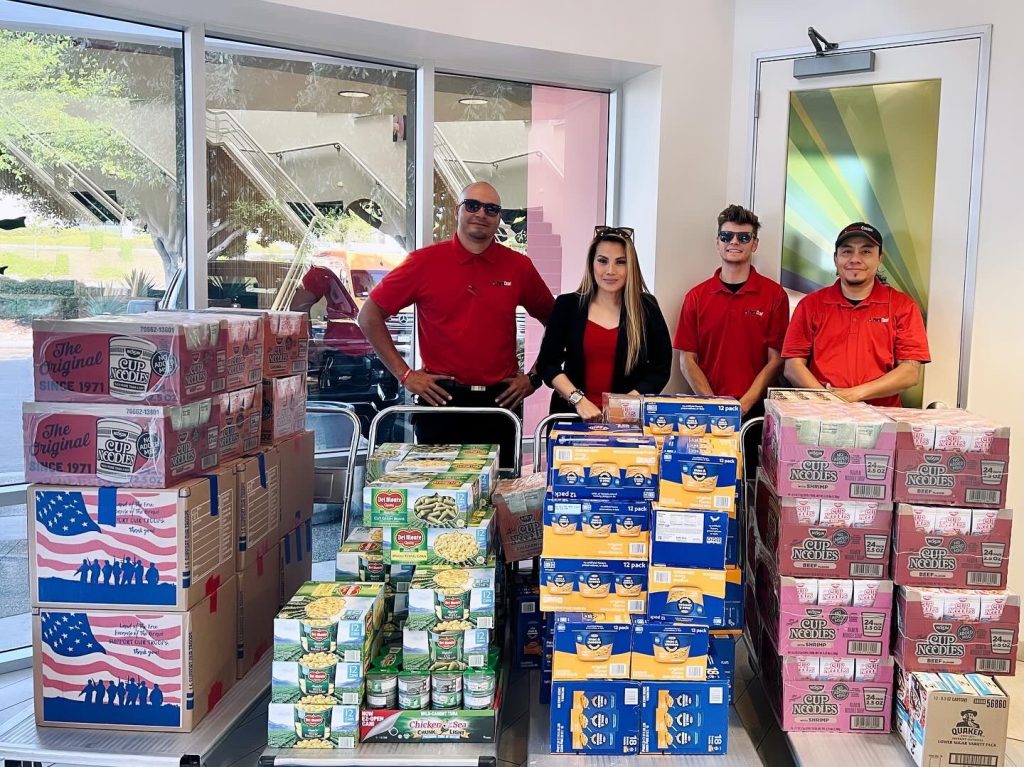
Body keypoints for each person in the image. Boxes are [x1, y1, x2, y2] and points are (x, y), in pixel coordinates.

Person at [358, 182, 555, 466]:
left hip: (500, 403)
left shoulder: (518, 266)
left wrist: (534, 378)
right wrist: (405, 375)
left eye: (491, 209)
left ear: (498, 217)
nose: (481, 214)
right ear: (457, 211)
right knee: (439, 498)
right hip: (441, 401)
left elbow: (557, 322)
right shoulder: (423, 263)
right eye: (472, 206)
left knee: (499, 497)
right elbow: (369, 316)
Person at [782, 222, 930, 407]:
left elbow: (910, 372)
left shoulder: (903, 306)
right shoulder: (810, 305)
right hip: (822, 415)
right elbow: (792, 366)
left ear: (879, 258)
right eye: (847, 251)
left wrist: (854, 395)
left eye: (866, 251)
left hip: (882, 418)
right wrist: (828, 400)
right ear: (836, 259)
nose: (855, 259)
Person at [535, 226, 671, 419]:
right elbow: (548, 364)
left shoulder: (647, 307)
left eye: (621, 262)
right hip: (571, 417)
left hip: (625, 422)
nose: (610, 270)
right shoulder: (568, 306)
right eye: (602, 261)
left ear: (631, 266)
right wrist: (578, 401)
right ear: (592, 264)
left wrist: (628, 402)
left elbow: (660, 368)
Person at [674, 204, 789, 419]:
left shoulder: (775, 296)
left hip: (756, 411)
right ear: (717, 242)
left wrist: (744, 404)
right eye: (726, 236)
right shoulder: (696, 297)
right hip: (706, 408)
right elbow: (687, 360)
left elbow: (776, 360)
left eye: (744, 237)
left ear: (755, 244)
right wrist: (714, 405)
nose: (734, 242)